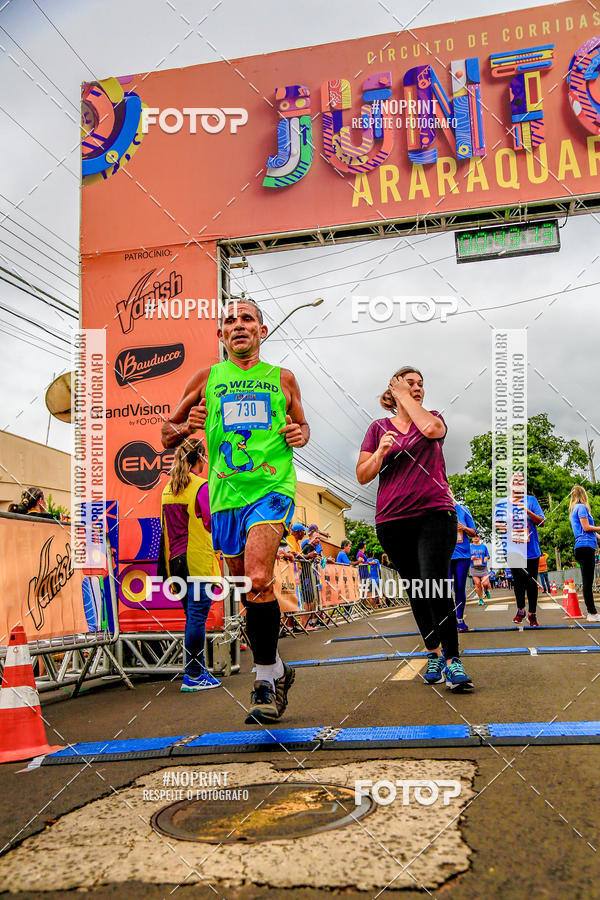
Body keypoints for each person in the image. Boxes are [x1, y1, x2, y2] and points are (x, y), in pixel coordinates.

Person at [162, 296, 310, 724]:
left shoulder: (283, 379)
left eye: (247, 318)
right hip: (226, 496)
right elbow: (166, 432)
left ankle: (263, 680)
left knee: (260, 576)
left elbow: (302, 426)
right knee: (249, 590)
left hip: (271, 487)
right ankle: (280, 671)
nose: (239, 325)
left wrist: (299, 433)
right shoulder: (206, 377)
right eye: (230, 320)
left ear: (262, 331)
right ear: (221, 335)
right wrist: (184, 425)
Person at [356, 365, 473, 691]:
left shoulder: (431, 417)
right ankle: (432, 652)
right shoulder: (378, 427)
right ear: (393, 390)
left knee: (435, 582)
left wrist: (407, 399)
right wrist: (381, 451)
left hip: (435, 513)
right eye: (410, 384)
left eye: (420, 384)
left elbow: (433, 429)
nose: (417, 387)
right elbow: (363, 474)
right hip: (393, 520)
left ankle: (453, 660)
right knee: (418, 590)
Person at [160, 439, 222, 692]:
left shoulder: (167, 489)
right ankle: (194, 674)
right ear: (201, 458)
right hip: (196, 558)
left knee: (191, 617)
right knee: (197, 617)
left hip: (174, 561)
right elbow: (211, 522)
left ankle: (198, 670)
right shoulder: (201, 486)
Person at [494, 472, 545, 627]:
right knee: (518, 581)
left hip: (531, 549)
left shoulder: (531, 500)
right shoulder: (502, 503)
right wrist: (506, 527)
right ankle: (521, 609)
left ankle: (532, 614)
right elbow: (498, 524)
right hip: (512, 548)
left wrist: (527, 512)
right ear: (510, 485)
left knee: (531, 582)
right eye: (515, 481)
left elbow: (542, 521)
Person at [569, 485, 600, 621]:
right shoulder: (581, 507)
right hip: (586, 546)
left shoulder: (574, 509)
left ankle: (591, 611)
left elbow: (587, 530)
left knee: (587, 580)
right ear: (583, 495)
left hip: (583, 546)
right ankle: (592, 613)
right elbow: (586, 527)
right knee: (587, 581)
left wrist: (598, 535)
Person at [450, 492, 477, 632]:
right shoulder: (438, 510)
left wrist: (464, 528)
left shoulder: (463, 510)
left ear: (452, 493)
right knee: (443, 589)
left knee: (459, 587)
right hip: (444, 556)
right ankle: (447, 620)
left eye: (448, 491)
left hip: (462, 555)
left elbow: (474, 532)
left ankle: (459, 618)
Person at [469, 535, 491, 605]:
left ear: (479, 538)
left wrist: (486, 558)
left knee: (485, 583)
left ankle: (486, 591)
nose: (475, 538)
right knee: (478, 584)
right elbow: (466, 556)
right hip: (474, 568)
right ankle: (480, 599)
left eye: (477, 537)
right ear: (472, 538)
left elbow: (488, 555)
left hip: (483, 568)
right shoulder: (469, 547)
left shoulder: (483, 546)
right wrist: (470, 557)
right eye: (474, 537)